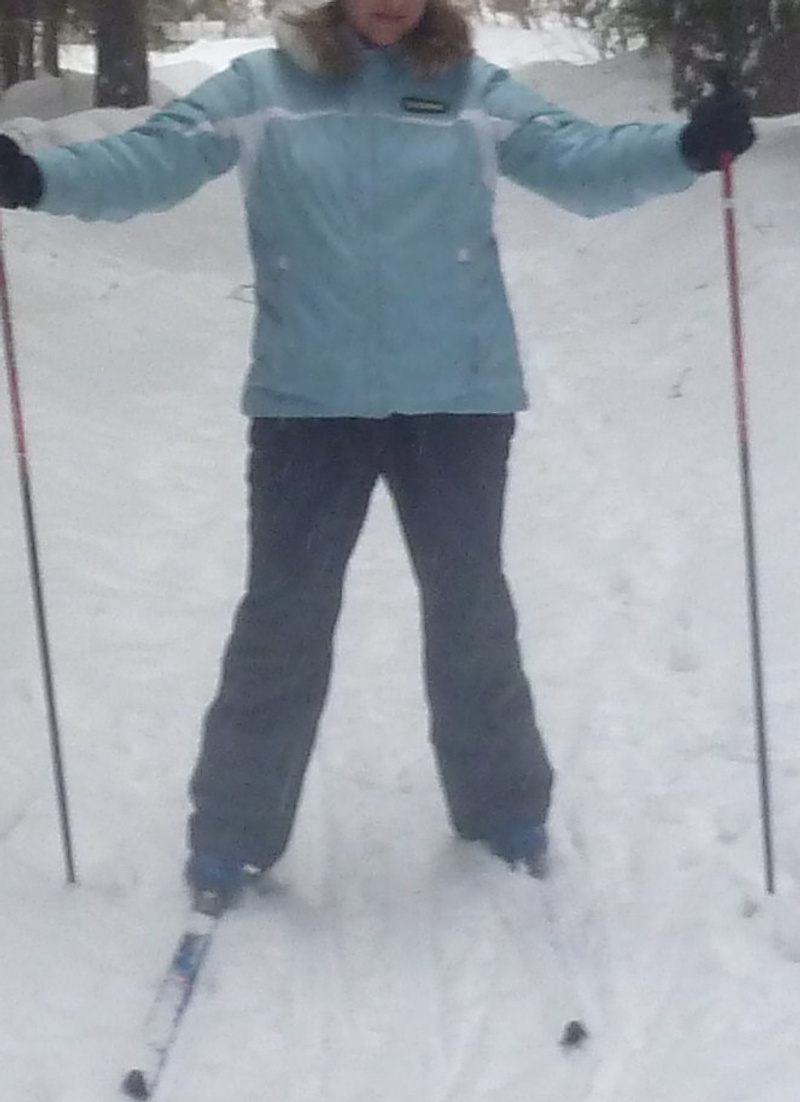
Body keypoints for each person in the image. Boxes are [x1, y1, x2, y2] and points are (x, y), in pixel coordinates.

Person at [0, 0, 754, 912]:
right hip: (308, 403)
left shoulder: (471, 90)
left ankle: (505, 810)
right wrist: (36, 176)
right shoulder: (263, 87)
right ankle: (234, 835)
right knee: (283, 618)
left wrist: (685, 148)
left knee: (471, 609)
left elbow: (580, 162)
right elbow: (147, 162)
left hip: (458, 397)